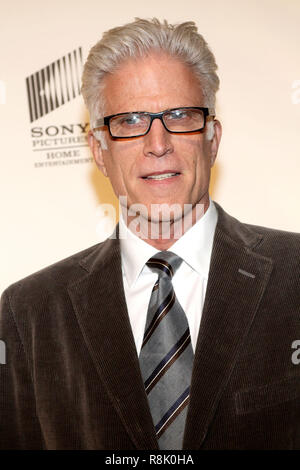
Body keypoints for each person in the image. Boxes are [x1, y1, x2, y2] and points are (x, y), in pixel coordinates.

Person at [0, 18, 299, 450]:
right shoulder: (30, 314)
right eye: (130, 120)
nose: (157, 143)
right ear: (99, 150)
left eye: (180, 115)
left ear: (212, 138)